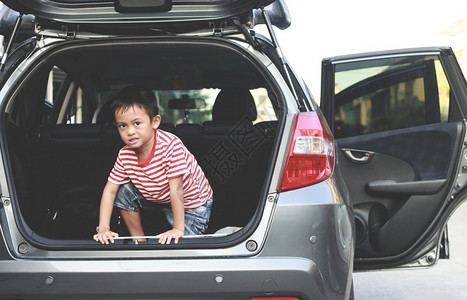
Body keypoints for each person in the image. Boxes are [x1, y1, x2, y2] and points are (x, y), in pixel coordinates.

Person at [93, 85, 213, 245]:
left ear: (155, 122)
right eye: (123, 126)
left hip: (192, 205)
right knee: (124, 191)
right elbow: (110, 190)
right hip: (162, 199)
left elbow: (176, 189)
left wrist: (177, 229)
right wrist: (103, 228)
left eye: (137, 123)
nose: (130, 131)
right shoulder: (124, 154)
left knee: (183, 249)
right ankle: (139, 241)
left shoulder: (171, 146)